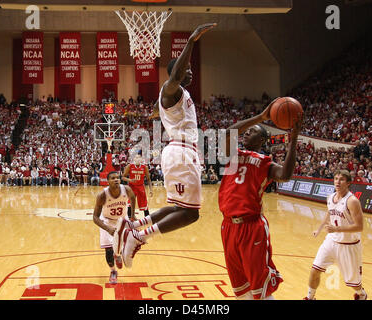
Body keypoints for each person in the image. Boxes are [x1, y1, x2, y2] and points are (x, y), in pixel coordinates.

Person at [113, 23, 217, 268]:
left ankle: (132, 227)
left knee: (177, 207)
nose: (190, 72)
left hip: (179, 151)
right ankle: (139, 236)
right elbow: (176, 77)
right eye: (186, 69)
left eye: (191, 68)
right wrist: (191, 40)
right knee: (191, 213)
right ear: (177, 73)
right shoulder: (171, 89)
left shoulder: (176, 96)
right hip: (181, 151)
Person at [218, 99, 302, 300]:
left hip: (251, 226)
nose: (247, 132)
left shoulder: (266, 163)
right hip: (228, 226)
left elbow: (286, 174)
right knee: (240, 287)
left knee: (259, 286)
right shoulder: (232, 154)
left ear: (262, 140)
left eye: (253, 131)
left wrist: (294, 139)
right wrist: (260, 118)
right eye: (247, 130)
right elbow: (227, 133)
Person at [303, 170, 367, 300]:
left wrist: (336, 229)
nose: (338, 181)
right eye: (336, 178)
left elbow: (359, 227)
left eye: (342, 179)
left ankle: (362, 294)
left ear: (348, 183)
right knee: (315, 270)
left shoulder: (352, 201)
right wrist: (319, 229)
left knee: (353, 283)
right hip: (331, 241)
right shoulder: (330, 197)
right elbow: (329, 214)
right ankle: (310, 297)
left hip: (349, 245)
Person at [92, 171, 137, 284]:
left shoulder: (126, 189)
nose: (116, 179)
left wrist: (132, 215)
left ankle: (118, 254)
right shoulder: (102, 195)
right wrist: (107, 228)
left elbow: (133, 198)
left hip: (122, 220)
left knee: (124, 245)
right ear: (108, 181)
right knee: (108, 250)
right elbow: (95, 217)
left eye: (117, 178)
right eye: (113, 178)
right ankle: (113, 271)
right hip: (107, 221)